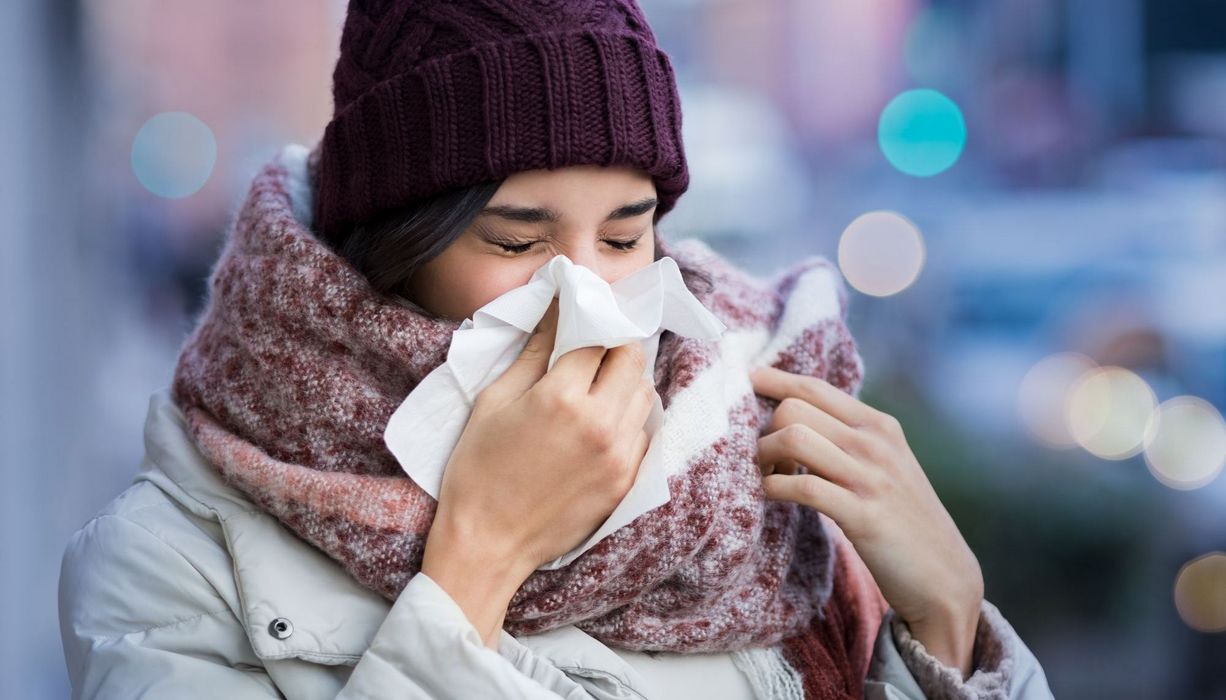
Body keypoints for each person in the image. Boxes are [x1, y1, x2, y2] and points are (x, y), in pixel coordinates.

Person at [58, 2, 1056, 698]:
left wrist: (950, 636)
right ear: (389, 246)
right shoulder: (173, 563)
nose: (587, 293)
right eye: (516, 239)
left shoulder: (755, 461)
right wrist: (476, 564)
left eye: (623, 237)